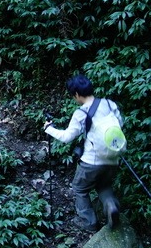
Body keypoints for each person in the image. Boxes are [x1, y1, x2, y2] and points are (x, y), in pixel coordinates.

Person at [44, 74, 123, 232]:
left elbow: (67, 137)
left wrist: (49, 129)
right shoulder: (109, 104)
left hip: (91, 161)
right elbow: (119, 124)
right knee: (104, 185)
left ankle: (89, 223)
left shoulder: (81, 113)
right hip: (113, 157)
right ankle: (111, 207)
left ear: (77, 95)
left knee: (80, 188)